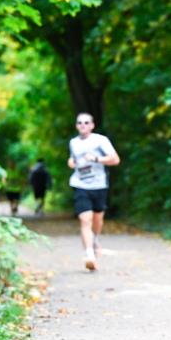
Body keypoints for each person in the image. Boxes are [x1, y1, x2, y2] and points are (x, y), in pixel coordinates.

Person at [67, 112, 120, 271]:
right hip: (80, 185)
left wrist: (97, 159)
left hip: (99, 185)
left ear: (92, 125)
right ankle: (89, 255)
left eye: (86, 122)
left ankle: (95, 238)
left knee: (97, 220)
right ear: (76, 126)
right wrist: (71, 162)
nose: (82, 125)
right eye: (79, 123)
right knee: (85, 220)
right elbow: (73, 159)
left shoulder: (100, 140)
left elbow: (115, 159)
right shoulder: (73, 142)